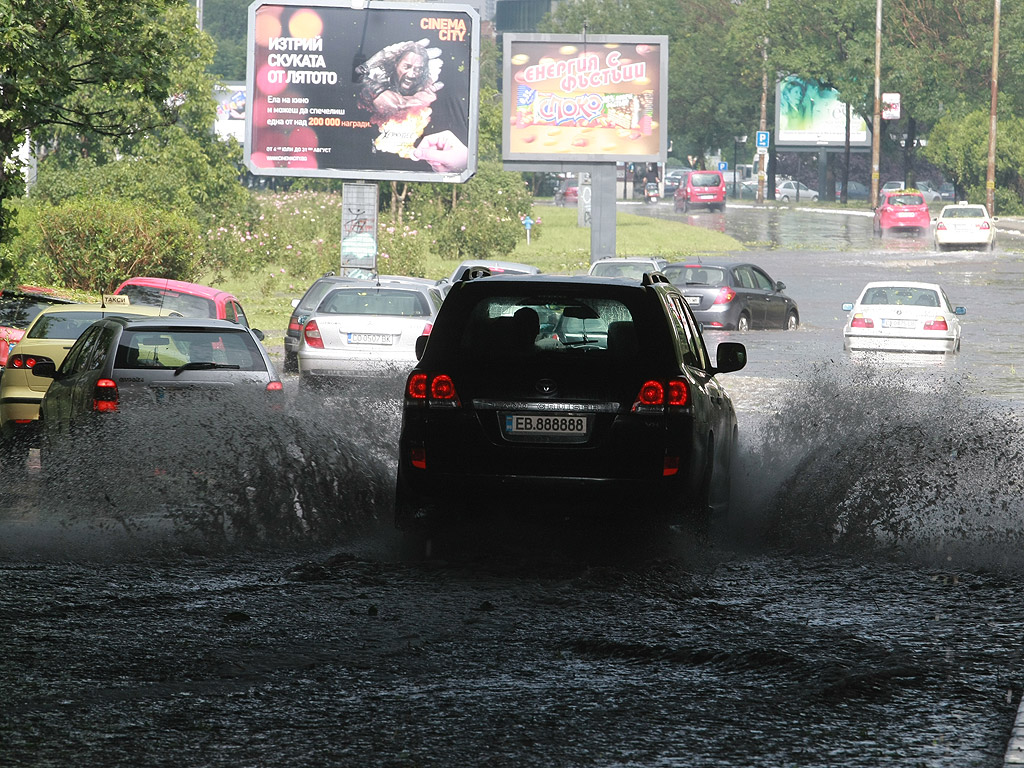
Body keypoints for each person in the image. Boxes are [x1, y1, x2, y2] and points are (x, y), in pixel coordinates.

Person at [357, 40, 443, 121]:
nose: (411, 75)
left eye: (418, 69)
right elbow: (397, 107)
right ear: (396, 64)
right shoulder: (377, 79)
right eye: (406, 67)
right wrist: (367, 66)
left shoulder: (425, 85)